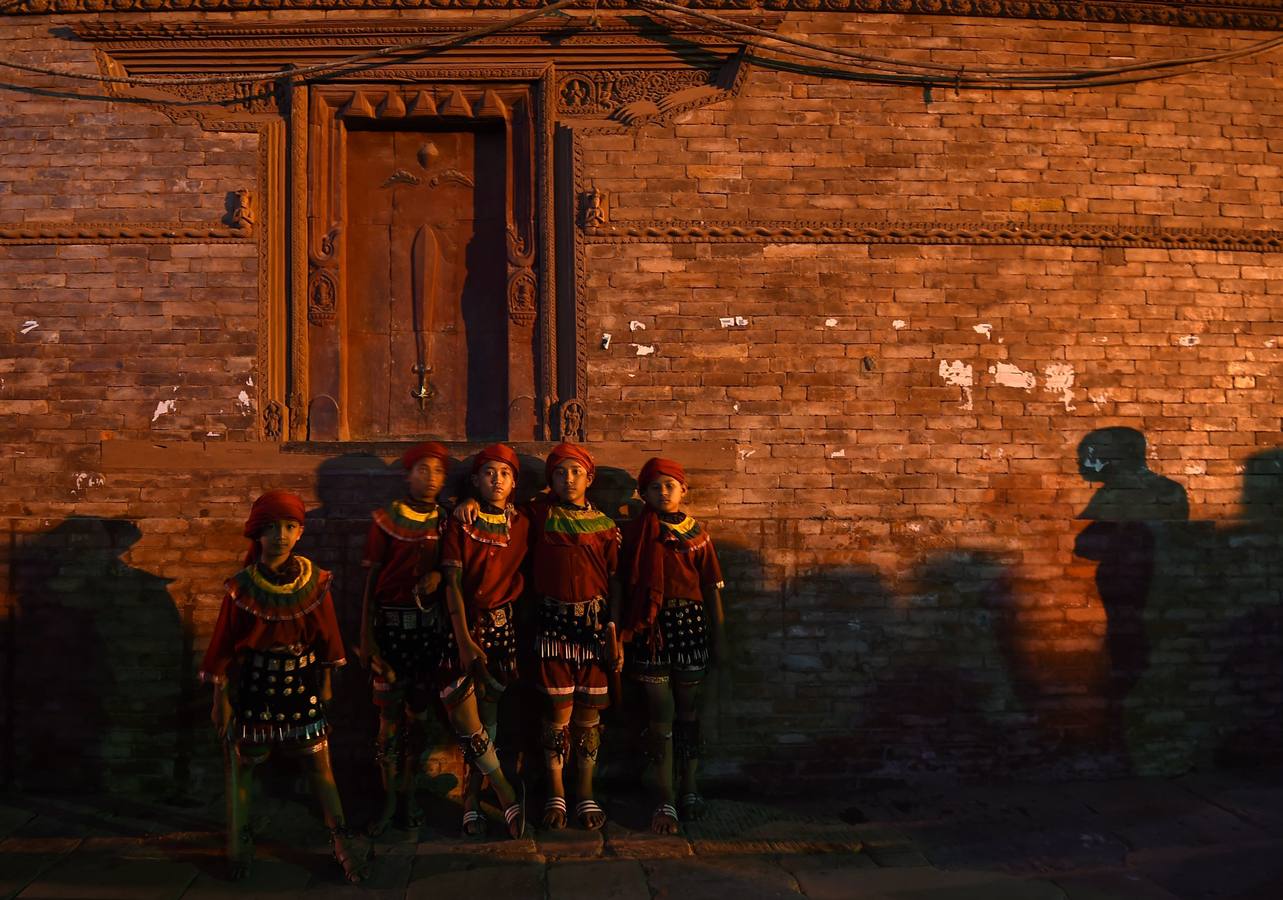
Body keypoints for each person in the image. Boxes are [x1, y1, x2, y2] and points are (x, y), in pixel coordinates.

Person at [200, 490, 368, 882]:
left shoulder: (315, 581)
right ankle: (239, 841)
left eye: (290, 527)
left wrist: (327, 680)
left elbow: (328, 636)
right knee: (243, 767)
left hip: (300, 684)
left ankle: (341, 840)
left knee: (320, 767)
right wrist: (219, 696)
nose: (281, 535)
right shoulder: (241, 587)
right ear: (257, 534)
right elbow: (224, 645)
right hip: (256, 686)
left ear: (299, 533)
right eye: (272, 527)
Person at [456, 442, 622, 830]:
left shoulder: (607, 527)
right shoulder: (537, 515)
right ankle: (556, 793)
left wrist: (615, 628)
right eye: (560, 473)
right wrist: (469, 502)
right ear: (550, 480)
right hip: (552, 629)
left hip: (594, 631)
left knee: (588, 722)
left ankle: (586, 792)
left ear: (590, 478)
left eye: (575, 472)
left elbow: (615, 582)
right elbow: (498, 512)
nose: (567, 479)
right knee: (555, 718)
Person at [618, 458, 725, 833]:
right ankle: (665, 799)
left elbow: (712, 589)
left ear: (683, 490)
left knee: (689, 714)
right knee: (659, 717)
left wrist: (720, 636)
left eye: (670, 485)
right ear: (643, 494)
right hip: (651, 629)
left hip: (691, 628)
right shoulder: (634, 534)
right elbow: (621, 584)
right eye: (655, 487)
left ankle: (690, 786)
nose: (663, 492)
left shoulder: (698, 535)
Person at [358, 442, 451, 835]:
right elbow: (370, 582)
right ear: (406, 475)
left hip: (428, 632)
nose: (430, 478)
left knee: (419, 719)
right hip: (390, 629)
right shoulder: (385, 520)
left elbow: (457, 572)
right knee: (387, 720)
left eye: (437, 472)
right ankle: (388, 799)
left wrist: (441, 577)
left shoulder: (447, 521)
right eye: (422, 470)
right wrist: (366, 639)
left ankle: (411, 794)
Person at [439, 443, 529, 838]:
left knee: (487, 724)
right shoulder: (461, 521)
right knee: (466, 719)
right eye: (489, 473)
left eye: (505, 474)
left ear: (514, 483)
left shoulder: (523, 523)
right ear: (475, 480)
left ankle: (472, 798)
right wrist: (462, 639)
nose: (497, 480)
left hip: (500, 629)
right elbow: (452, 582)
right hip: (461, 628)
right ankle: (507, 793)